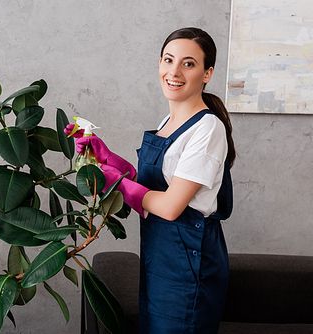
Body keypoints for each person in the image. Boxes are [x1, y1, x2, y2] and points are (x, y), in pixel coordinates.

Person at [66, 27, 235, 333]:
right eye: (168, 60)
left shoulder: (208, 129)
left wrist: (111, 181)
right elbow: (146, 183)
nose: (174, 71)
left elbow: (170, 206)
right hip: (160, 260)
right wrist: (105, 158)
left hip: (188, 263)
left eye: (188, 63)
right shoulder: (168, 122)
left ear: (207, 73)